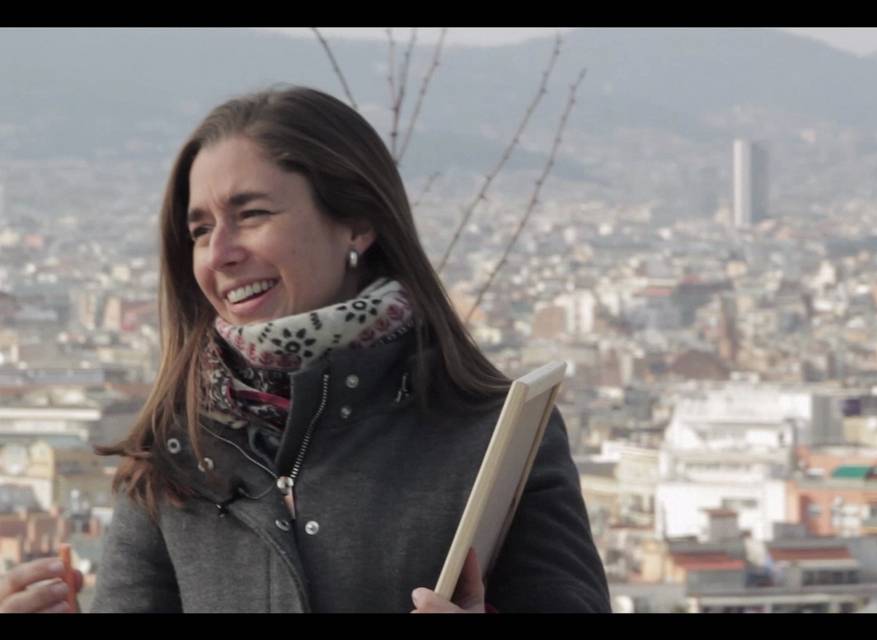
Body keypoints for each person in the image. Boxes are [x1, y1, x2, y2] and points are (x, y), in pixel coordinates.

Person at [0, 86, 611, 613]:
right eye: (200, 230)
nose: (220, 254)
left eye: (253, 214)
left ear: (358, 223)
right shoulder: (173, 449)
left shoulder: (493, 435)